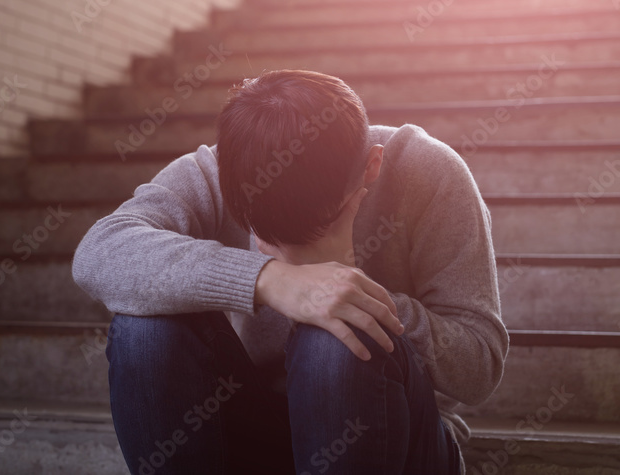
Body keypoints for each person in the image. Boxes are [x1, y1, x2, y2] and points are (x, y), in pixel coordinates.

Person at [72, 69, 508, 474]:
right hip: (254, 425)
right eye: (266, 233)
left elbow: (479, 366)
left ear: (370, 169)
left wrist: (355, 293)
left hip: (395, 434)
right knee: (145, 331)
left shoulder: (426, 170)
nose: (282, 250)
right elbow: (99, 251)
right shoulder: (222, 168)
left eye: (314, 228)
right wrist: (267, 278)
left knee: (334, 338)